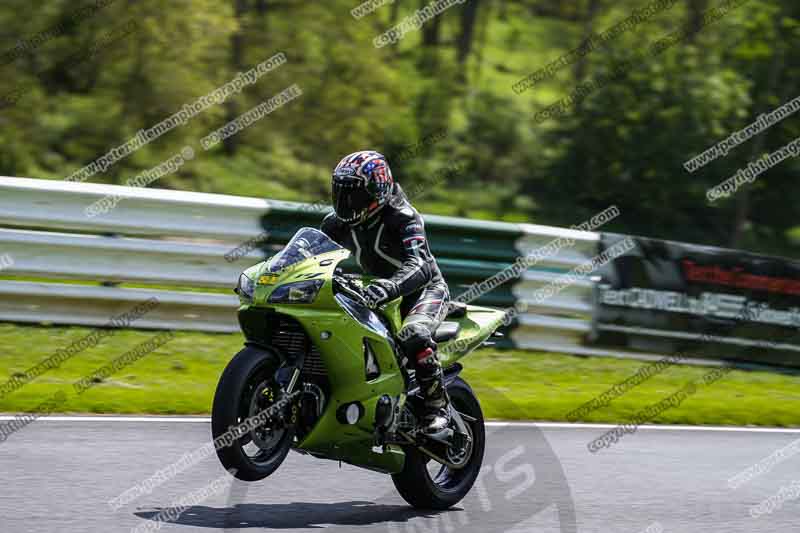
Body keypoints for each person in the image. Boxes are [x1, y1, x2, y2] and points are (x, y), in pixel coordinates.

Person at [320, 150, 451, 436]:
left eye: (353, 195)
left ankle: (436, 409)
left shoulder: (403, 217)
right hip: (375, 290)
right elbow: (314, 258)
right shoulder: (334, 223)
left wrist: (391, 286)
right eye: (341, 193)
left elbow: (421, 264)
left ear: (376, 191)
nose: (345, 202)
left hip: (423, 290)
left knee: (413, 335)